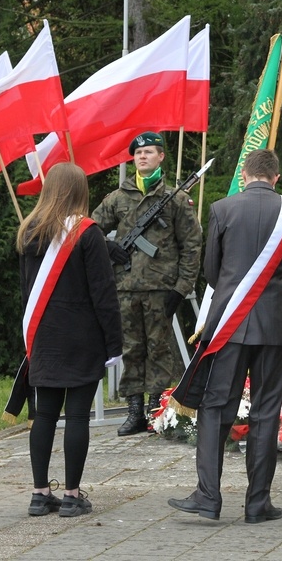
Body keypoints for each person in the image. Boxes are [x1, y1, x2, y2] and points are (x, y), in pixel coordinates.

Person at [167, 149, 282, 524]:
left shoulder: (222, 209)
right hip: (275, 324)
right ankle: (258, 503)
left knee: (216, 407)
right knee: (266, 411)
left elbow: (212, 270)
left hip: (230, 322)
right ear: (275, 177)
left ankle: (208, 497)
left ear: (245, 175)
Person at [16, 162, 123, 517]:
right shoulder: (88, 233)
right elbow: (103, 294)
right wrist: (114, 344)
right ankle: (73, 496)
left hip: (44, 335)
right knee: (77, 417)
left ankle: (39, 493)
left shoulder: (29, 231)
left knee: (44, 415)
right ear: (80, 192)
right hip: (82, 336)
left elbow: (26, 292)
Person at [91, 131, 202, 436]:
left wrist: (181, 289)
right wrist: (107, 246)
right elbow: (88, 228)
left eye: (149, 152)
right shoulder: (118, 197)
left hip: (160, 288)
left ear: (161, 157)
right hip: (125, 287)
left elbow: (191, 246)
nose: (143, 157)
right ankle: (134, 411)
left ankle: (156, 408)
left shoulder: (176, 198)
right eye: (138, 154)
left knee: (158, 349)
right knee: (131, 349)